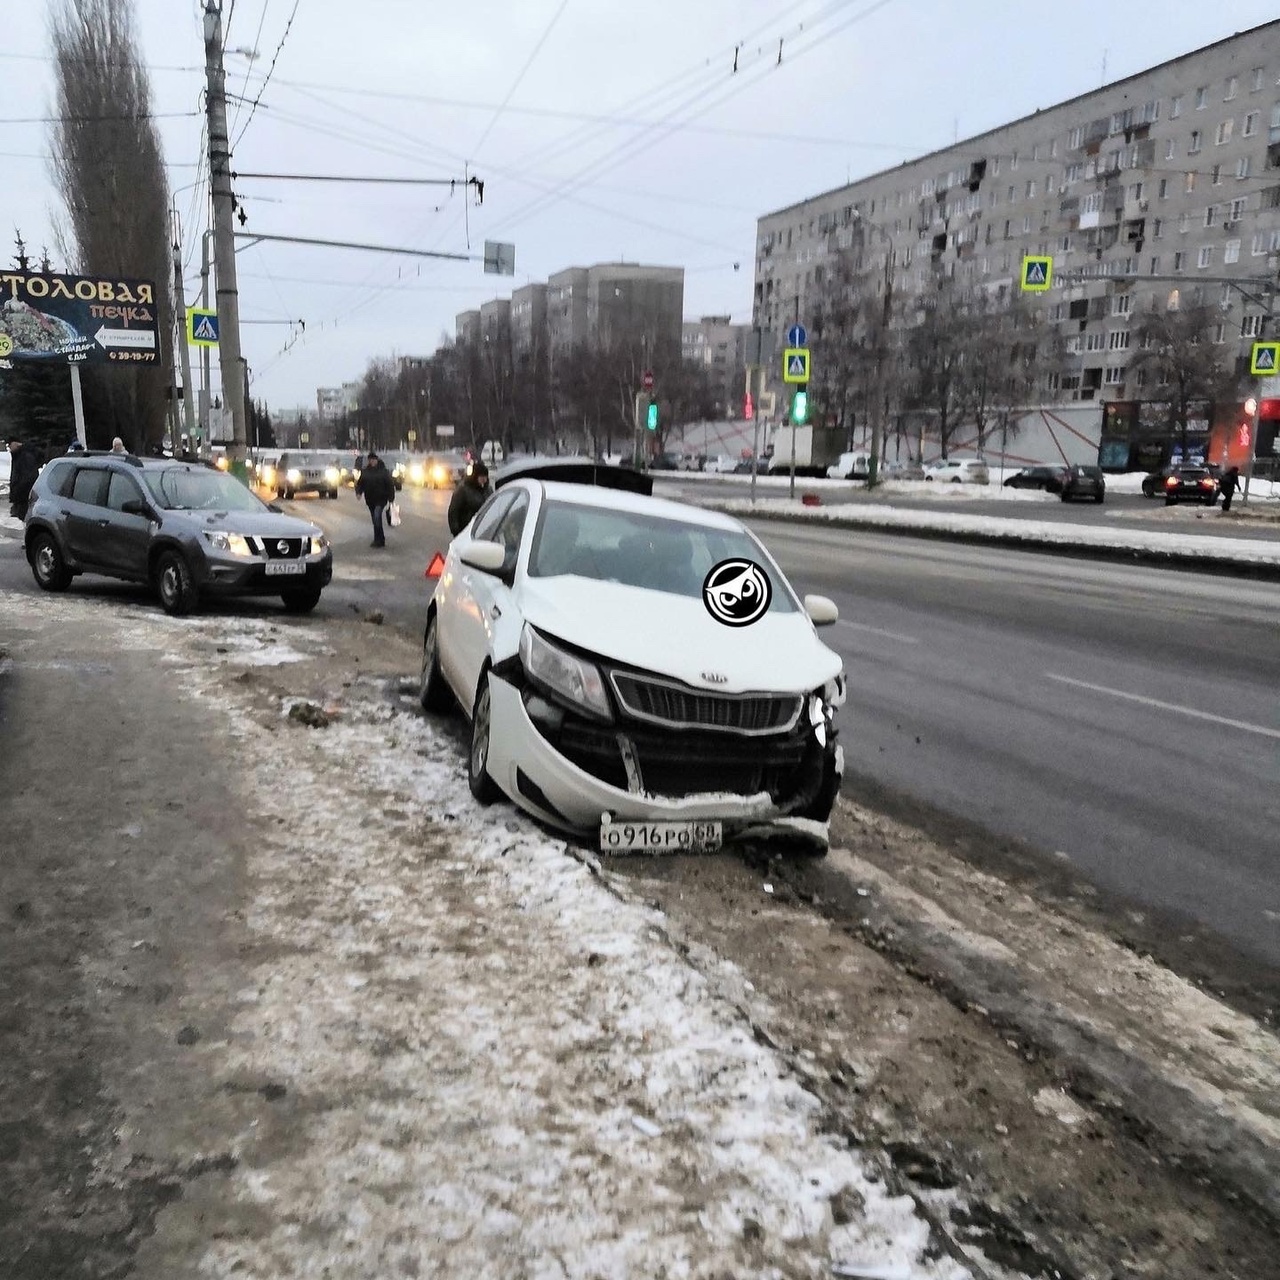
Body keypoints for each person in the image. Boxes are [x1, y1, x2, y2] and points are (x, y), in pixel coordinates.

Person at [355, 450, 396, 547]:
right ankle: (379, 539)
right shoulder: (365, 472)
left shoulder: (383, 471)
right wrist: (359, 492)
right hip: (370, 500)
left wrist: (391, 499)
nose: (372, 462)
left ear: (377, 460)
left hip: (381, 499)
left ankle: (379, 540)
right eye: (370, 460)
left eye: (374, 460)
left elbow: (390, 485)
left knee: (377, 517)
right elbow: (360, 484)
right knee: (375, 520)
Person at [447, 460, 491, 537]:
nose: (484, 480)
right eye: (481, 477)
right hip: (466, 530)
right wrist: (456, 530)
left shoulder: (488, 490)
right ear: (475, 476)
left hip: (484, 530)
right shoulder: (463, 490)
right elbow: (454, 510)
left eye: (485, 477)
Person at [7, 439, 41, 521]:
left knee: (22, 519)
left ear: (17, 444)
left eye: (10, 444)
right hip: (19, 496)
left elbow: (29, 477)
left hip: (23, 496)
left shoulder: (26, 456)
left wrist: (19, 492)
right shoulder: (18, 455)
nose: (9, 447)